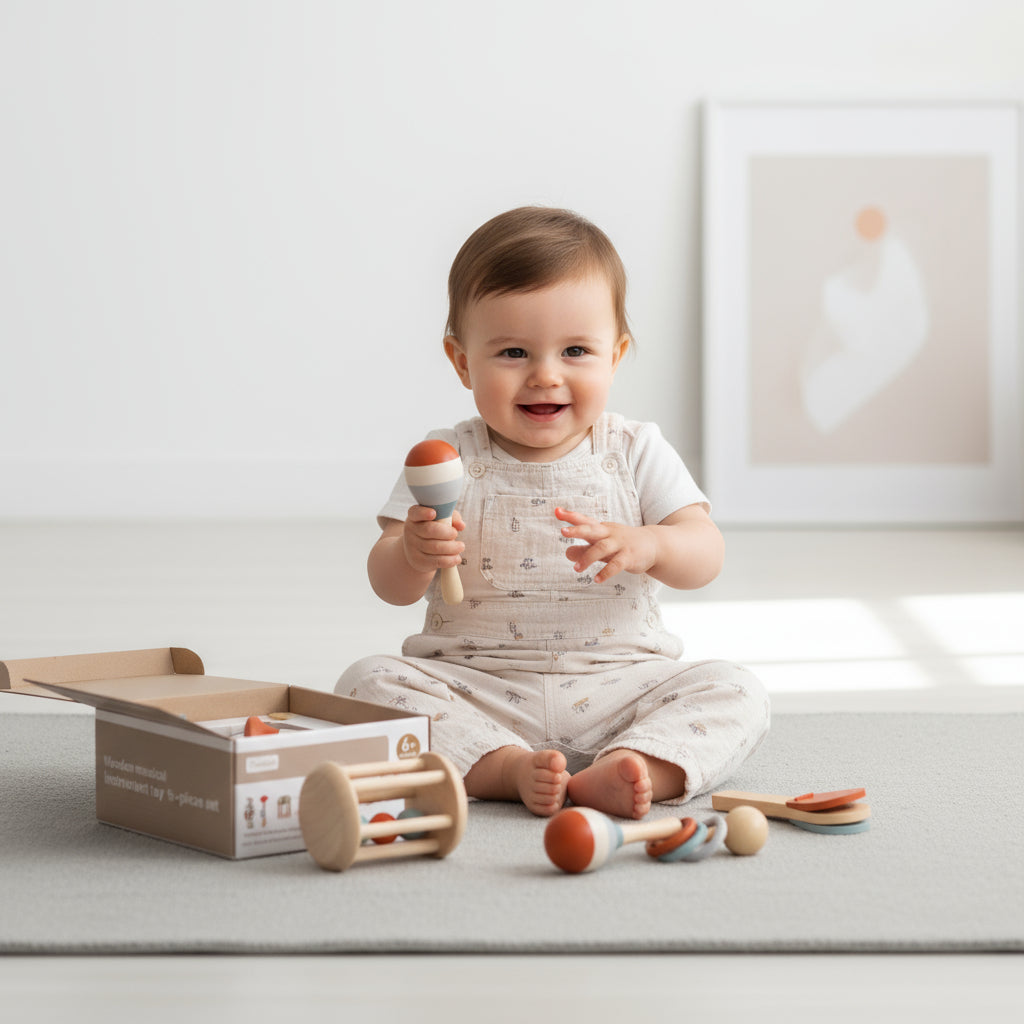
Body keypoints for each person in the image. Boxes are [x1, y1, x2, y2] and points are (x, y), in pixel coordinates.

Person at [337, 207, 769, 819]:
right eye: (513, 352)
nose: (545, 375)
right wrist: (410, 553)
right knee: (366, 682)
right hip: (477, 688)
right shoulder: (446, 457)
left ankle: (636, 765)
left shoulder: (635, 450)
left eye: (575, 351)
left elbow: (706, 554)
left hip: (620, 688)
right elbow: (388, 585)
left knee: (736, 689)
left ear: (615, 355)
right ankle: (503, 768)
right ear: (462, 362)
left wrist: (654, 545)